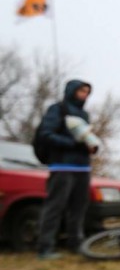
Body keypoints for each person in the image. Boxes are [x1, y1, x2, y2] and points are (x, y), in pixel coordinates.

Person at [36, 80, 97, 259]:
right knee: (55, 207)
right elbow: (46, 135)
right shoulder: (57, 110)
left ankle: (76, 243)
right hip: (62, 165)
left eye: (87, 92)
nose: (84, 95)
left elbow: (86, 137)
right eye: (81, 91)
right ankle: (45, 247)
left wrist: (91, 146)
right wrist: (72, 143)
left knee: (78, 208)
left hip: (82, 167)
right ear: (72, 91)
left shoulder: (84, 115)